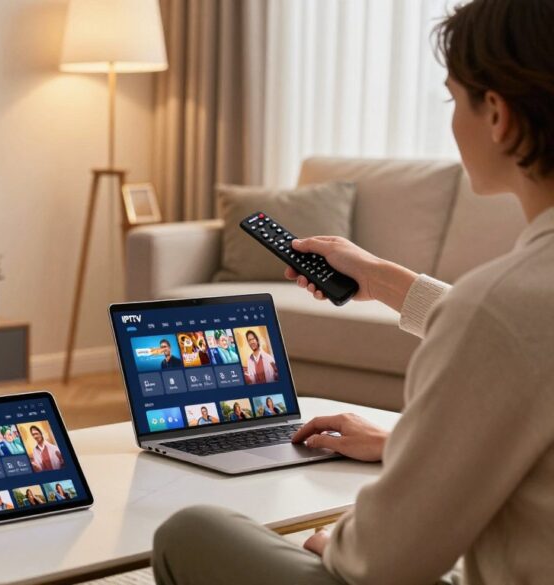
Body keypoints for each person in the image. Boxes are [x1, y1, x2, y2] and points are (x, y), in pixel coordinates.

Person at [153, 2, 554, 583]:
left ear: (499, 115)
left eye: (452, 99)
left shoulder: (500, 307)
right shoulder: (512, 306)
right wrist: (381, 278)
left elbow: (383, 563)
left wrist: (330, 542)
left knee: (190, 531)